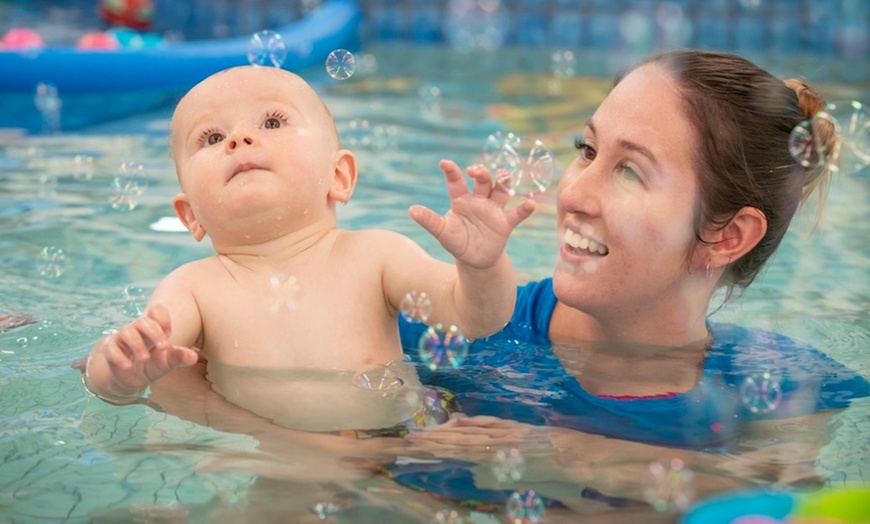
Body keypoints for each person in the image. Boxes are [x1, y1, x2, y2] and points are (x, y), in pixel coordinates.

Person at [394, 49, 870, 512]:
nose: (573, 194)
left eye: (630, 171)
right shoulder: (450, 323)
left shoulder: (790, 395)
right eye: (588, 150)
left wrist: (562, 452)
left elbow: (788, 505)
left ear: (726, 237)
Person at [80, 65, 535, 431]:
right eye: (212, 138)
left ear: (339, 177)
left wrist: (481, 266)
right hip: (284, 466)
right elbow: (128, 372)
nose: (240, 139)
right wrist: (117, 371)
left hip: (405, 441)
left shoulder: (377, 256)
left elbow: (476, 319)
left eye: (272, 121)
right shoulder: (193, 288)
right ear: (191, 215)